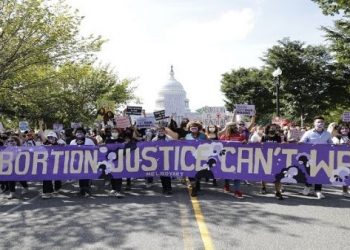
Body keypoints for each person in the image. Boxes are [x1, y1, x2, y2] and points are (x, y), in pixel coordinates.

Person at [299, 116, 333, 199]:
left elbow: (331, 144)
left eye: (322, 122)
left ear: (324, 124)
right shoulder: (308, 133)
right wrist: (300, 143)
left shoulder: (327, 134)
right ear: (314, 123)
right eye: (318, 122)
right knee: (309, 172)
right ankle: (307, 188)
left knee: (320, 173)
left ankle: (318, 191)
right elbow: (302, 142)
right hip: (310, 157)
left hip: (323, 157)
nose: (320, 123)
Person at [219, 122, 246, 198]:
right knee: (227, 173)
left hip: (238, 158)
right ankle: (226, 185)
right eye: (232, 126)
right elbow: (220, 145)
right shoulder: (224, 136)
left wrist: (245, 142)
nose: (234, 128)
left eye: (235, 126)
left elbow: (246, 144)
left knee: (238, 174)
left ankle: (237, 190)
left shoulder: (241, 136)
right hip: (227, 158)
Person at [70, 127, 96, 197]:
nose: (79, 133)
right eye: (77, 132)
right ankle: (82, 190)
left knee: (86, 175)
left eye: (81, 132)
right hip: (78, 161)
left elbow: (94, 148)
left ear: (84, 133)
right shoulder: (72, 142)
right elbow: (69, 151)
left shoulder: (89, 141)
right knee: (80, 176)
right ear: (75, 134)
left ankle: (87, 189)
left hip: (87, 160)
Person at [260, 123, 284, 200]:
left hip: (276, 159)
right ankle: (263, 187)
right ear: (268, 128)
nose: (273, 129)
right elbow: (260, 146)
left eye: (274, 128)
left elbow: (280, 146)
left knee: (278, 176)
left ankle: (278, 192)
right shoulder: (264, 136)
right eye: (271, 128)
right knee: (264, 174)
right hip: (265, 158)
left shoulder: (278, 137)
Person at [152, 126, 177, 195]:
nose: (161, 132)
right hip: (159, 159)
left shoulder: (169, 138)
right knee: (162, 175)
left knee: (167, 174)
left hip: (167, 158)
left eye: (162, 131)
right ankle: (164, 188)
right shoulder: (154, 139)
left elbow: (173, 146)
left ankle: (169, 188)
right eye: (159, 131)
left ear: (164, 131)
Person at [41, 131, 63, 199]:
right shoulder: (45, 144)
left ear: (55, 138)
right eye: (49, 138)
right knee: (46, 177)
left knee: (57, 177)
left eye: (52, 137)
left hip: (58, 163)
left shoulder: (60, 143)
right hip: (48, 163)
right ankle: (47, 192)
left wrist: (61, 145)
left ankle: (57, 188)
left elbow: (64, 149)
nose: (51, 139)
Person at [332, 123, 350, 197]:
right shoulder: (337, 137)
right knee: (345, 174)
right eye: (342, 128)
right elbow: (332, 145)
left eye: (346, 128)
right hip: (342, 159)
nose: (344, 130)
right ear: (340, 130)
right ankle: (345, 191)